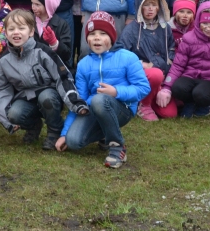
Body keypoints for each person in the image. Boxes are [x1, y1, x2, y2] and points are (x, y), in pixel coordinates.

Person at [55, 12, 149, 168]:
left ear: (112, 37)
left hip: (122, 109)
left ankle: (117, 147)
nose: (96, 38)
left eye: (102, 33)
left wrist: (116, 92)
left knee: (99, 100)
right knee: (73, 141)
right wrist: (64, 134)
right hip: (95, 109)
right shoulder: (84, 64)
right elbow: (79, 102)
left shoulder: (128, 57)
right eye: (92, 34)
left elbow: (143, 88)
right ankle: (105, 133)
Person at [0, 9, 66, 150]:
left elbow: (62, 76)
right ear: (6, 34)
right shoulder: (4, 60)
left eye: (21, 28)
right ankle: (33, 126)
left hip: (49, 95)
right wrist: (5, 119)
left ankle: (54, 130)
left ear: (31, 31)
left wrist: (73, 102)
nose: (16, 32)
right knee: (14, 114)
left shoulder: (43, 51)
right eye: (11, 29)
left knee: (46, 98)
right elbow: (0, 89)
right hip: (26, 98)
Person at [156, 2, 210, 118]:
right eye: (205, 23)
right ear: (198, 22)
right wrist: (167, 87)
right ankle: (190, 103)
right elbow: (178, 65)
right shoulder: (188, 38)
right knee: (177, 88)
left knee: (200, 93)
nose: (208, 28)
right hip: (190, 75)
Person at [119, 0, 177, 121]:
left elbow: (172, 50)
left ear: (159, 7)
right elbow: (122, 54)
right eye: (146, 4)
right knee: (155, 74)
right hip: (141, 76)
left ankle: (153, 97)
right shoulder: (131, 29)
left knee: (170, 113)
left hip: (162, 76)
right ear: (140, 6)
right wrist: (142, 64)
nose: (150, 8)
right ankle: (143, 105)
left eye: (154, 5)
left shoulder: (165, 28)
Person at [31, 0, 73, 66]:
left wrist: (55, 43)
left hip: (53, 68)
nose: (33, 7)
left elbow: (67, 55)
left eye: (37, 4)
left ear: (49, 5)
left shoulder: (61, 24)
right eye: (32, 3)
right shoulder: (29, 21)